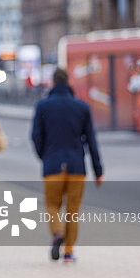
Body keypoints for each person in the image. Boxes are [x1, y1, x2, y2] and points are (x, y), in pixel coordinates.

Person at [32, 67, 104, 263]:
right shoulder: (81, 107)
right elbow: (91, 140)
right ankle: (69, 252)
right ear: (68, 82)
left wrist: (44, 155)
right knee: (73, 210)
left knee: (53, 205)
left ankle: (57, 233)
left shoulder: (43, 106)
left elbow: (36, 136)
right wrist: (98, 171)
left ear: (53, 83)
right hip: (76, 166)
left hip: (53, 165)